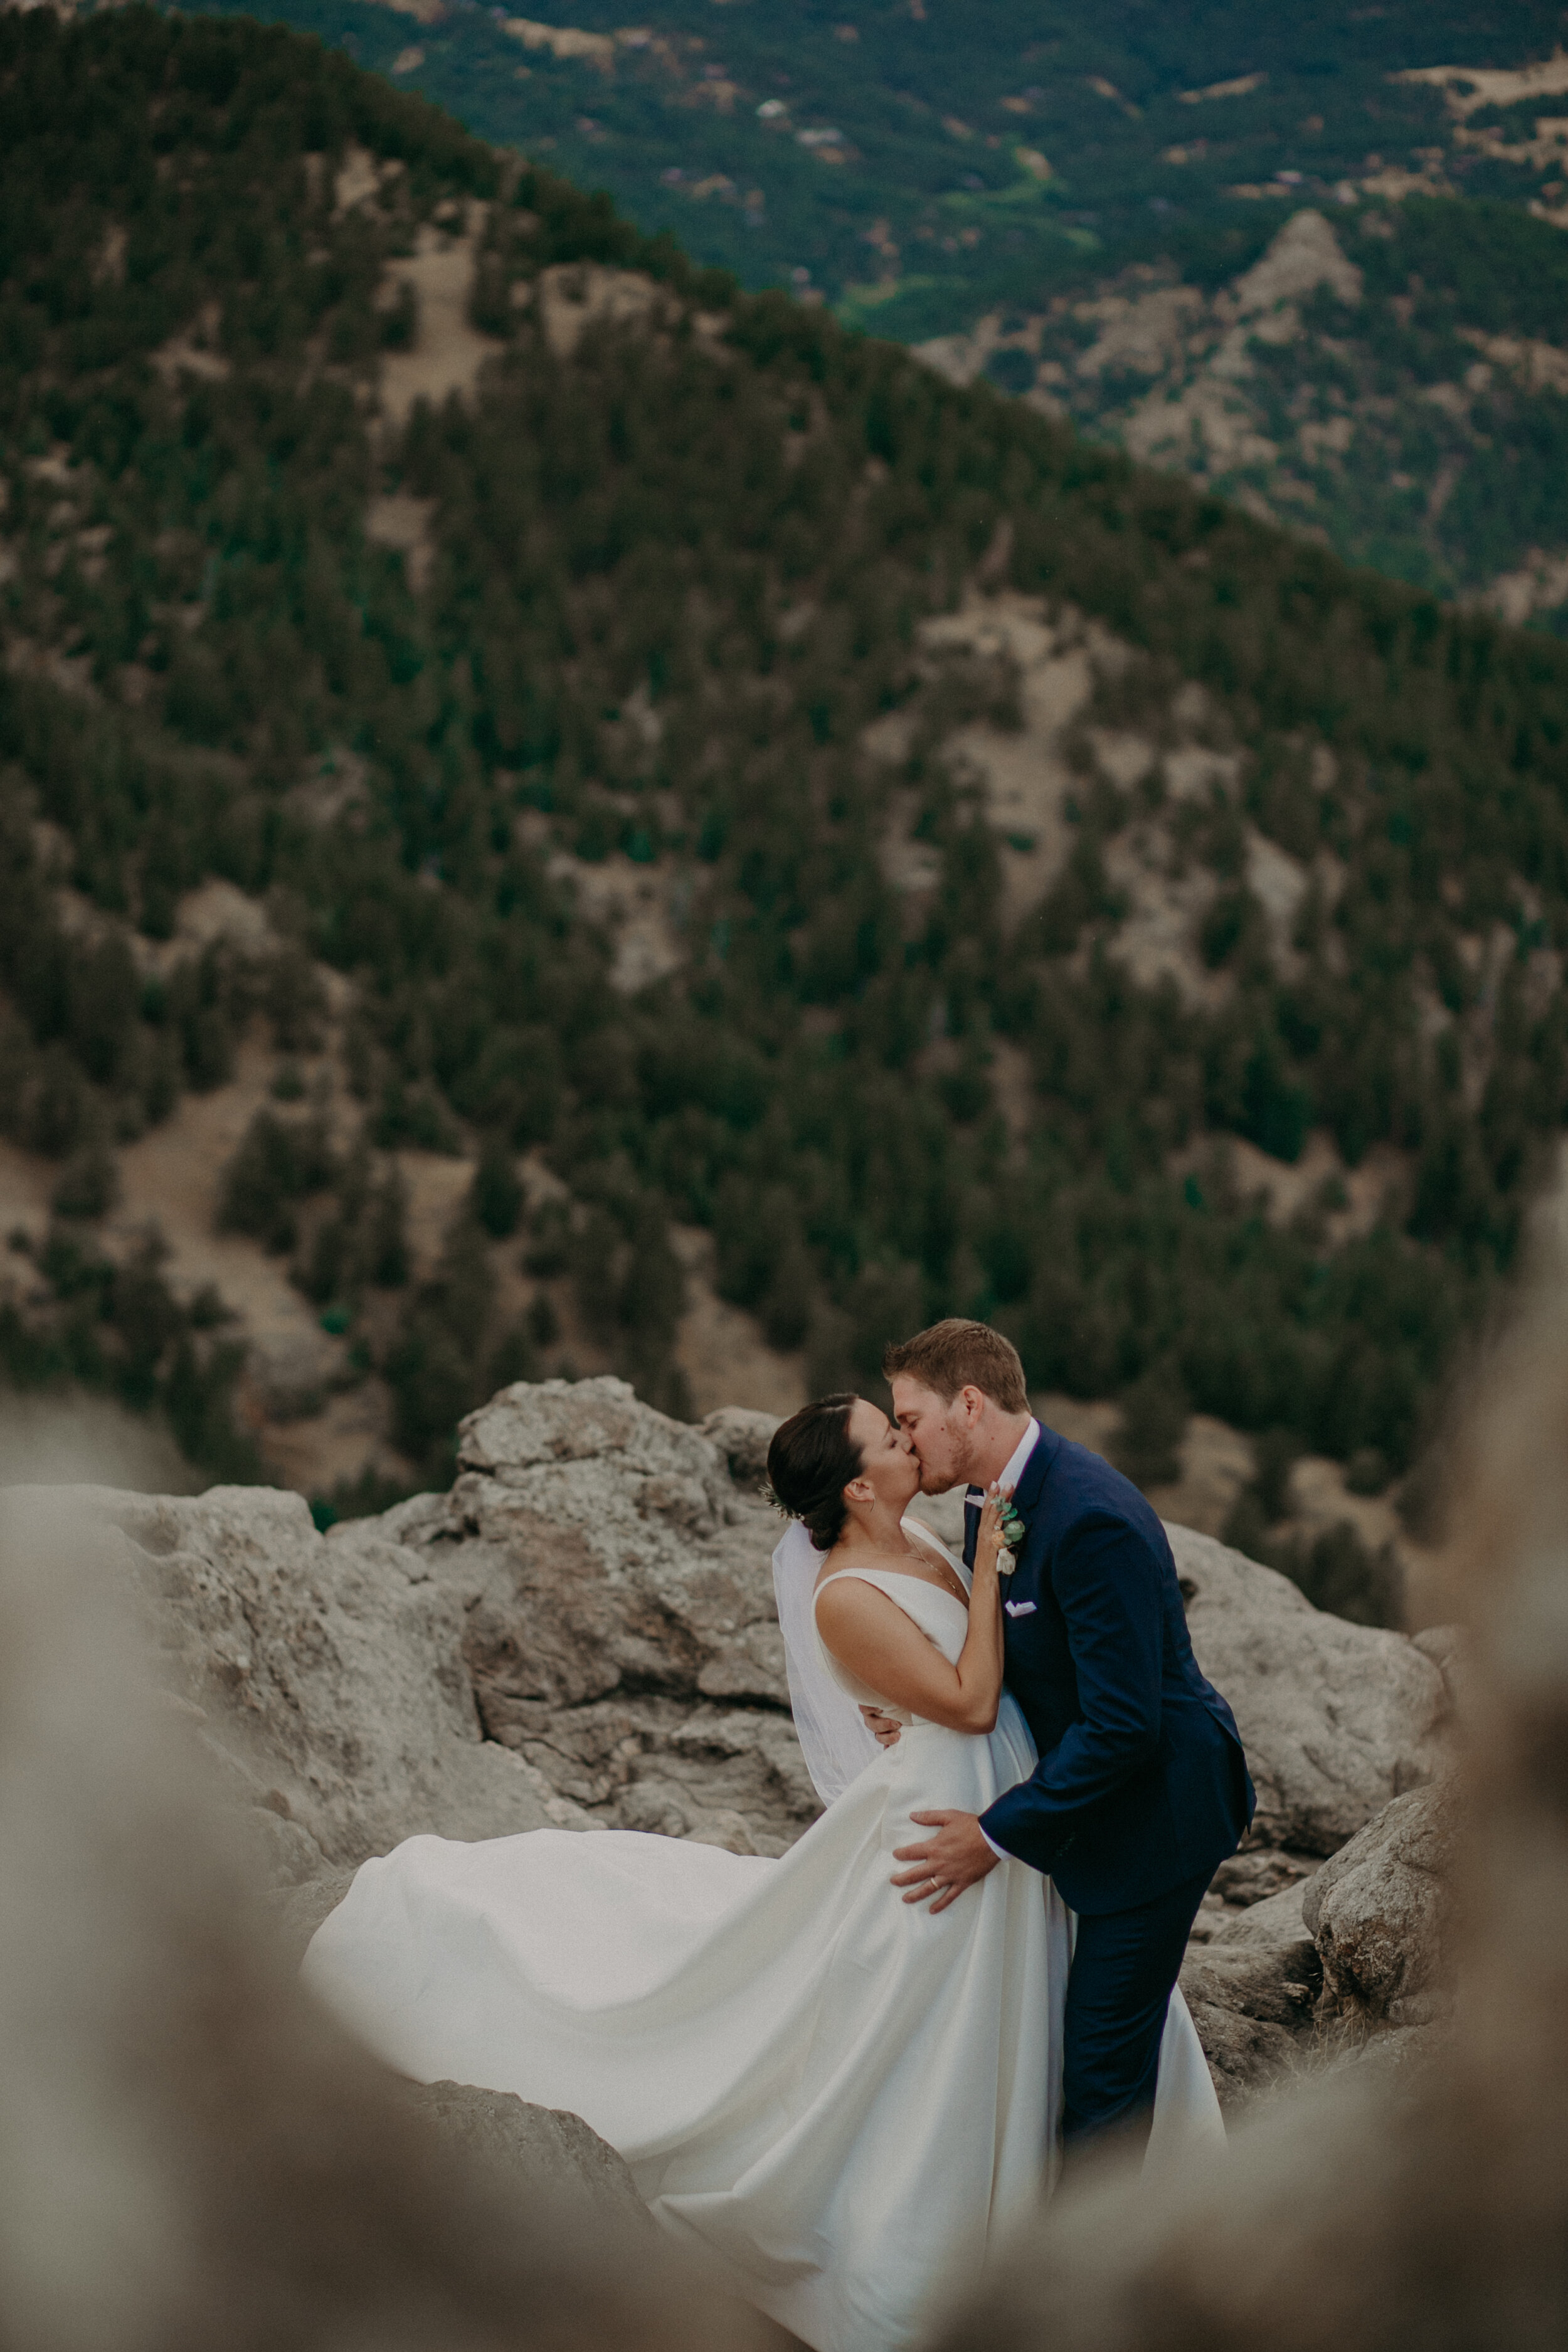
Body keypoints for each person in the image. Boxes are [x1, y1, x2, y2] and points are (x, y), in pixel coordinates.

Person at [301, 1384, 1224, 2351]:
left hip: (996, 1805)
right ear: (863, 1486)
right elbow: (972, 1697)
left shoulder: (924, 1541)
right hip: (941, 1821)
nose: (910, 1440)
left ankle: (1071, 2220)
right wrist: (990, 1570)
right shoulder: (847, 1593)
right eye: (890, 1434)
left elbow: (973, 1674)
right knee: (931, 2020)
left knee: (1026, 2001)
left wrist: (956, 1612)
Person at [873, 1319, 1254, 2160]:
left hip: (1158, 1813)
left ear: (968, 1405)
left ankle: (1092, 2277)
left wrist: (995, 1833)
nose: (903, 1439)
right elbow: (1017, 1659)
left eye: (910, 1418)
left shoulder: (1091, 1519)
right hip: (1094, 1807)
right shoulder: (989, 1500)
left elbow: (1125, 1723)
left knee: (1099, 2075)